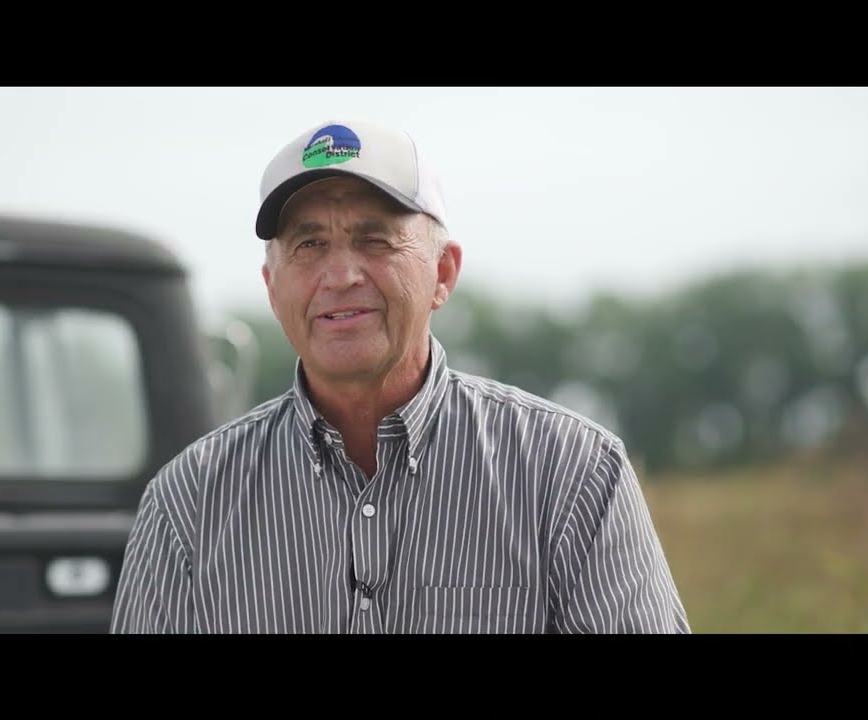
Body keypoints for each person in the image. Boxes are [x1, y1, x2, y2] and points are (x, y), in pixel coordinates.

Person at [110, 118, 690, 633]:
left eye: (374, 239)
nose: (340, 275)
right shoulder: (187, 503)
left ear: (443, 271)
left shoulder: (573, 475)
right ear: (272, 287)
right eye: (309, 244)